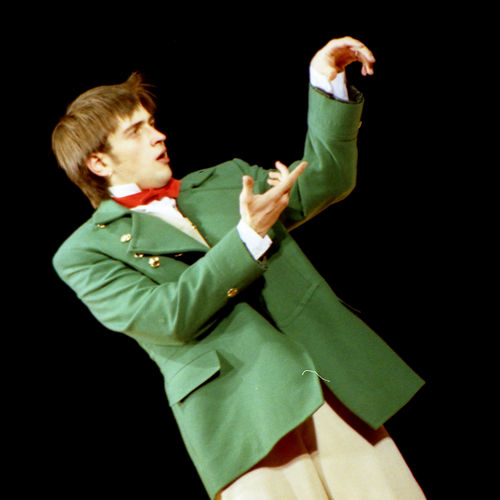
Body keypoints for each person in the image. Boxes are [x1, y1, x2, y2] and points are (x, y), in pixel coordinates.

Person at [52, 36, 426, 499]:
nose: (158, 136)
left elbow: (326, 178)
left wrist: (325, 85)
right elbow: (168, 316)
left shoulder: (227, 181)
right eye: (135, 131)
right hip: (241, 417)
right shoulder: (85, 252)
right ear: (98, 162)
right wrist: (247, 237)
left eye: (152, 123)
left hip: (325, 382)